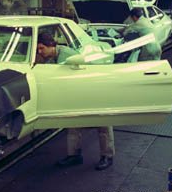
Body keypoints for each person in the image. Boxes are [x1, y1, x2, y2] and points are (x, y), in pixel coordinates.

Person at [36, 32, 115, 171]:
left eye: (42, 48)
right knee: (72, 124)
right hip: (76, 92)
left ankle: (107, 156)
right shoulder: (49, 58)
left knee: (103, 123)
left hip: (93, 89)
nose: (39, 52)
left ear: (51, 45)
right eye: (38, 49)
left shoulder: (67, 56)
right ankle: (74, 155)